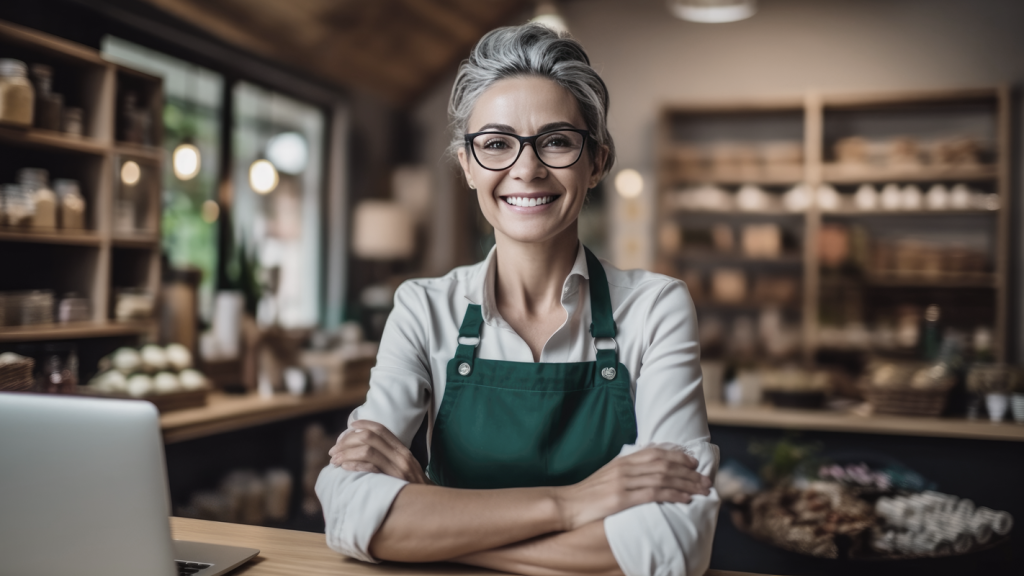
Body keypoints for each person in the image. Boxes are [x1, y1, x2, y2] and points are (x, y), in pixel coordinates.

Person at [316, 23, 720, 576]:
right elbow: (348, 513)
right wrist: (574, 503)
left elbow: (674, 545)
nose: (525, 169)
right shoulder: (422, 308)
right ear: (466, 164)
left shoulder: (655, 309)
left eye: (555, 141)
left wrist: (431, 525)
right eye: (497, 144)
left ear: (596, 161)